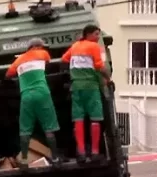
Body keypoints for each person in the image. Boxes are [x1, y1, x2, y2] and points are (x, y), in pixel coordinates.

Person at [6, 38, 62, 169]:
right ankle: (55, 157)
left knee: (25, 129)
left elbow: (8, 74)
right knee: (49, 127)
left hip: (26, 95)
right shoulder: (42, 54)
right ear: (36, 47)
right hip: (43, 94)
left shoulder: (19, 60)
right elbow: (48, 61)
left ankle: (24, 160)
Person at [62, 25, 110, 163]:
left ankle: (81, 152)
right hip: (91, 86)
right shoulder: (93, 46)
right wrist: (108, 79)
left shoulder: (76, 46)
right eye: (96, 34)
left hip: (76, 86)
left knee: (78, 118)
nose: (98, 37)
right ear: (88, 34)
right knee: (95, 118)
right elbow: (100, 66)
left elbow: (65, 59)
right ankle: (95, 152)